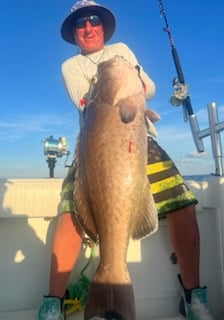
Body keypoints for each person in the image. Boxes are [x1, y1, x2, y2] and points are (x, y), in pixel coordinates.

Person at [38, 1, 216, 320]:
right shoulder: (71, 67)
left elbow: (147, 88)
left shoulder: (122, 48)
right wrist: (125, 85)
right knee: (70, 211)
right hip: (98, 149)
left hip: (141, 141)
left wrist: (140, 88)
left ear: (103, 26)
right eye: (81, 24)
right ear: (74, 34)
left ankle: (193, 298)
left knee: (183, 203)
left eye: (94, 20)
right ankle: (53, 302)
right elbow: (90, 102)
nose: (88, 27)